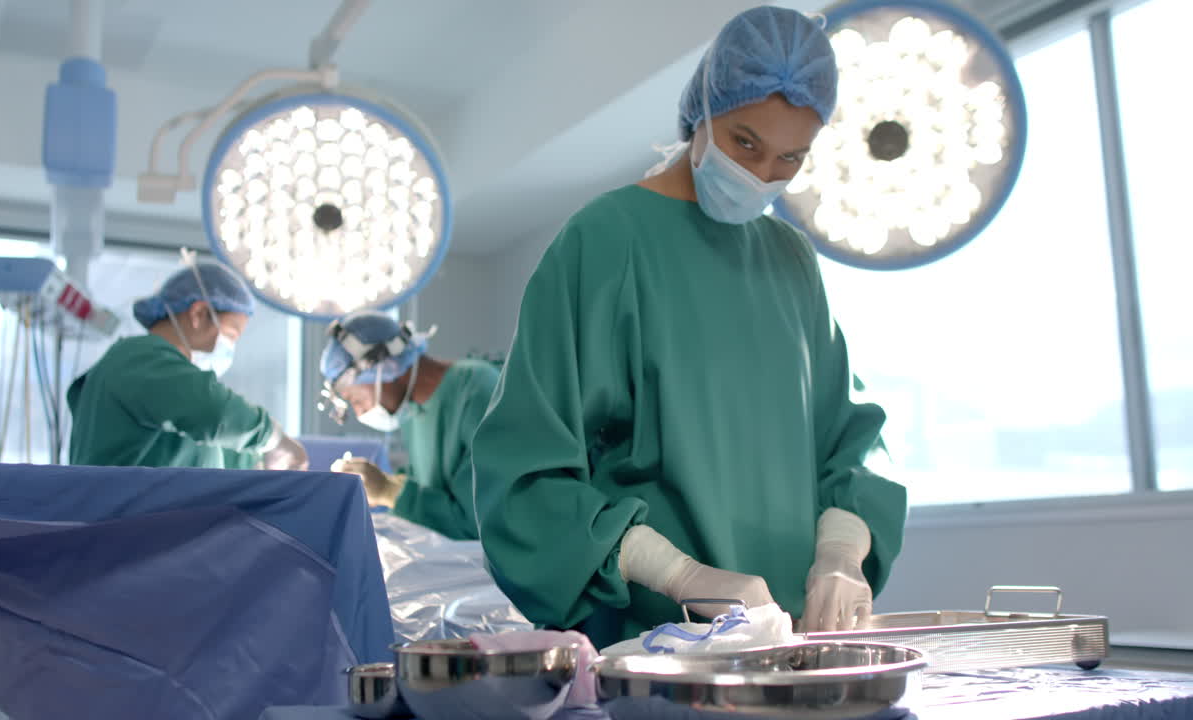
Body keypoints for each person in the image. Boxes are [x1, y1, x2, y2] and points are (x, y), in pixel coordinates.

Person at [469, 5, 907, 648]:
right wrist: (679, 574)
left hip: (788, 646)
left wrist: (839, 557)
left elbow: (852, 446)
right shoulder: (606, 240)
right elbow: (525, 479)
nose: (762, 174)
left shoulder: (791, 261)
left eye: (790, 158)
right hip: (651, 644)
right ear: (704, 102)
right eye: (744, 142)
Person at [67, 259, 308, 471]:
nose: (230, 348)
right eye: (231, 334)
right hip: (130, 521)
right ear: (199, 314)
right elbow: (215, 412)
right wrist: (275, 440)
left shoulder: (161, 387)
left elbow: (205, 451)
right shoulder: (140, 357)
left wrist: (261, 460)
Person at [319, 311, 498, 540]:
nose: (360, 412)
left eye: (356, 400)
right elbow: (429, 490)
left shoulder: (477, 391)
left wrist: (389, 491)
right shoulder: (413, 411)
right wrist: (384, 486)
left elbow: (478, 522)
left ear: (385, 368)